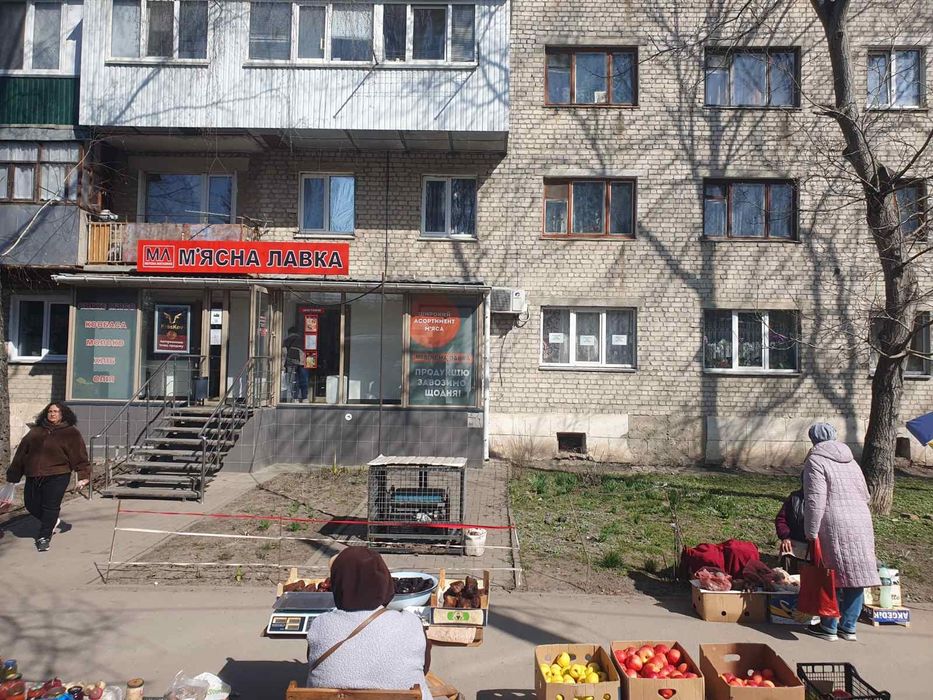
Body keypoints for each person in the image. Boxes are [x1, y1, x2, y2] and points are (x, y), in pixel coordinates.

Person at [306, 548, 432, 700]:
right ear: (384, 581)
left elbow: (312, 661)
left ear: (338, 583)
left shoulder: (320, 624)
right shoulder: (411, 624)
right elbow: (423, 669)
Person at [802, 422, 881, 641]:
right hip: (861, 519)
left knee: (831, 574)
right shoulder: (851, 460)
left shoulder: (815, 460)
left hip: (833, 521)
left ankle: (829, 626)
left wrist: (811, 531)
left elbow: (815, 499)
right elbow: (865, 494)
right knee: (857, 573)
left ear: (813, 439)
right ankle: (849, 627)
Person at [5, 402, 90, 552]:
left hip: (58, 475)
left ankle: (44, 537)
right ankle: (51, 521)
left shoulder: (71, 433)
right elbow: (21, 454)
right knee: (31, 504)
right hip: (34, 474)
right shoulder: (35, 432)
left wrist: (83, 475)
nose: (52, 414)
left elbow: (80, 455)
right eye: (50, 411)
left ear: (63, 414)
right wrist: (13, 474)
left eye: (56, 411)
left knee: (50, 506)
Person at [774, 479, 807, 573]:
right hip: (794, 540)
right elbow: (781, 519)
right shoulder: (794, 498)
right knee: (787, 550)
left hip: (816, 543)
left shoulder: (826, 499)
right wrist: (785, 537)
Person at [283, 326, 308, 402]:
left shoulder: (287, 340)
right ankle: (304, 397)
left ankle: (295, 397)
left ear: (289, 332)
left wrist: (283, 364)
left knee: (294, 380)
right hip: (302, 361)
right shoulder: (302, 339)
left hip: (291, 362)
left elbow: (284, 352)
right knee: (304, 380)